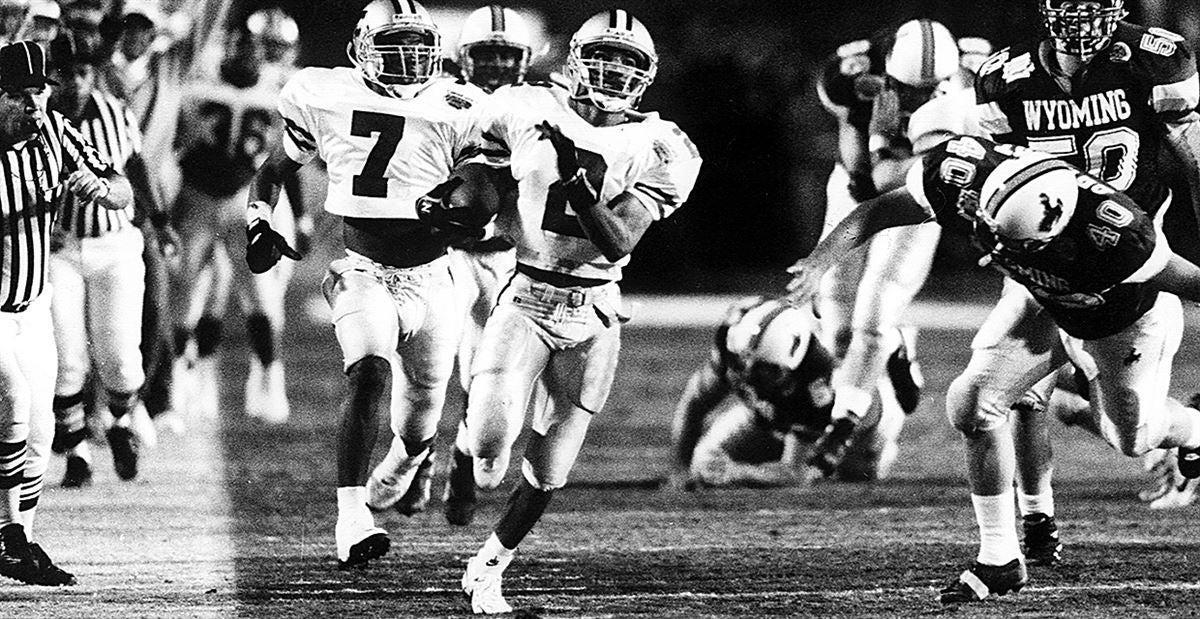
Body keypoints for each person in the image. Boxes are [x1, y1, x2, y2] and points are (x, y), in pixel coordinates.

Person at [784, 134, 1200, 605]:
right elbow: (878, 210)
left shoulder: (1119, 236)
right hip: (1042, 304)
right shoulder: (962, 173)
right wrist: (821, 262)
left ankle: (1193, 430)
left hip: (1124, 319)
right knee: (972, 403)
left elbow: (1192, 281)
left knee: (1133, 438)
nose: (997, 245)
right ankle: (1000, 557)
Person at [454, 10, 702, 614]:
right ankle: (467, 449)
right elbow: (478, 170)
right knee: (491, 438)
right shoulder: (523, 107)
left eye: (629, 62)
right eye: (605, 57)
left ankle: (488, 568)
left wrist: (578, 182)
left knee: (551, 465)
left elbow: (619, 241)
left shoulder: (663, 145)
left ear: (645, 75)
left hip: (595, 309)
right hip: (528, 290)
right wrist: (457, 200)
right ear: (576, 61)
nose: (615, 71)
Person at [244, 0, 487, 569]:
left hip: (435, 279)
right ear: (361, 49)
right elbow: (275, 168)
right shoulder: (326, 94)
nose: (407, 60)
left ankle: (407, 461)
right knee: (370, 370)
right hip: (363, 271)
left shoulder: (457, 104)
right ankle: (352, 520)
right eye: (393, 47)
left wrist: (464, 211)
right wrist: (258, 220)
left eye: (417, 48)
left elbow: (481, 189)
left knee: (423, 412)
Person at [973, 0, 1200, 548]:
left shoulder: (1155, 57)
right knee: (1002, 395)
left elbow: (1194, 158)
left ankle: (1180, 426)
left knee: (1134, 437)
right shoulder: (1005, 77)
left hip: (1123, 254)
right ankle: (1035, 523)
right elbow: (998, 178)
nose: (1079, 17)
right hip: (1044, 257)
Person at [805, 18, 975, 481]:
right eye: (909, 88)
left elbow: (901, 178)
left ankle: (845, 422)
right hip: (855, 189)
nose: (921, 97)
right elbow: (866, 174)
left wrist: (900, 157)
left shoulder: (980, 80)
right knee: (837, 322)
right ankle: (896, 348)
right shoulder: (852, 73)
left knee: (875, 315)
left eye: (933, 88)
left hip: (919, 197)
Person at [0, 39, 134, 586]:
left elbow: (123, 186)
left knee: (39, 427)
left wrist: (102, 190)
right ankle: (9, 537)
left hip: (33, 302)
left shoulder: (56, 132)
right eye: (17, 95)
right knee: (13, 399)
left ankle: (21, 539)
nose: (33, 105)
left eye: (39, 91)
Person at [46, 32, 176, 487]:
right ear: (53, 75)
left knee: (121, 359)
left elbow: (136, 166)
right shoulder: (34, 116)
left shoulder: (113, 111)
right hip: (57, 253)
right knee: (67, 359)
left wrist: (159, 220)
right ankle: (77, 452)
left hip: (115, 245)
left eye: (85, 72)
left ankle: (120, 424)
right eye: (69, 73)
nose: (78, 82)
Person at [170, 12, 304, 425]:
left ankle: (268, 379)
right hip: (196, 197)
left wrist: (300, 215)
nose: (249, 53)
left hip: (247, 201)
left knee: (261, 295)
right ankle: (183, 378)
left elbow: (286, 157)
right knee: (186, 292)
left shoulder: (280, 89)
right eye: (242, 44)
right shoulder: (197, 77)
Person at [441, 3, 535, 527]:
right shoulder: (442, 101)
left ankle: (458, 460)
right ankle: (412, 461)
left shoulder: (543, 107)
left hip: (506, 260)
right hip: (449, 254)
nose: (498, 64)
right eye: (487, 53)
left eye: (506, 54)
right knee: (434, 367)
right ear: (464, 58)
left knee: (484, 376)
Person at [668, 296, 843, 488]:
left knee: (857, 472)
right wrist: (681, 472)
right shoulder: (732, 346)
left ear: (791, 364)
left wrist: (738, 472)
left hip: (828, 433)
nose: (748, 376)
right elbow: (694, 404)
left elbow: (795, 472)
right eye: (744, 362)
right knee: (703, 463)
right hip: (766, 420)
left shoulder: (816, 377)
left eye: (763, 370)